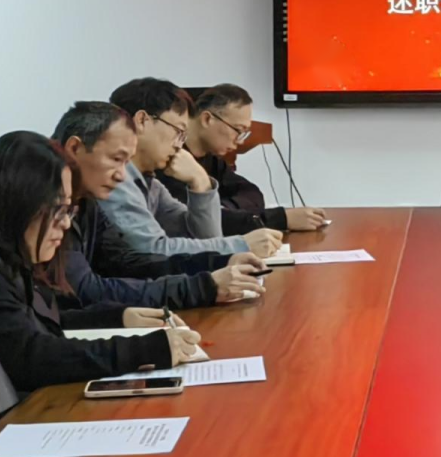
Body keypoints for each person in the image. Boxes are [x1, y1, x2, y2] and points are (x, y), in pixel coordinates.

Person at [0, 132, 202, 393]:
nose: (66, 224)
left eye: (69, 210)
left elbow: (32, 325)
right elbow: (31, 357)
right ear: (18, 203)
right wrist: (145, 350)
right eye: (59, 209)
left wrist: (120, 317)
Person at [53, 101, 266, 309]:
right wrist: (202, 287)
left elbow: (128, 262)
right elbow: (85, 291)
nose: (122, 175)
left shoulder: (87, 201)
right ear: (74, 148)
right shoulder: (46, 202)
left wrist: (220, 262)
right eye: (116, 159)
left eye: (126, 163)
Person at [100, 78, 282, 258]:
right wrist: (241, 245)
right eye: (178, 131)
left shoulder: (151, 184)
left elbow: (205, 240)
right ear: (142, 121)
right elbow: (153, 250)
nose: (179, 145)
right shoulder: (113, 180)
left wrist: (201, 182)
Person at [155, 84, 328, 234]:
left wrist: (222, 209)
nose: (239, 141)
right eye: (238, 130)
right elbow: (198, 222)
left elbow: (252, 194)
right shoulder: (168, 162)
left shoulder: (210, 158)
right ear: (207, 119)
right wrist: (280, 219)